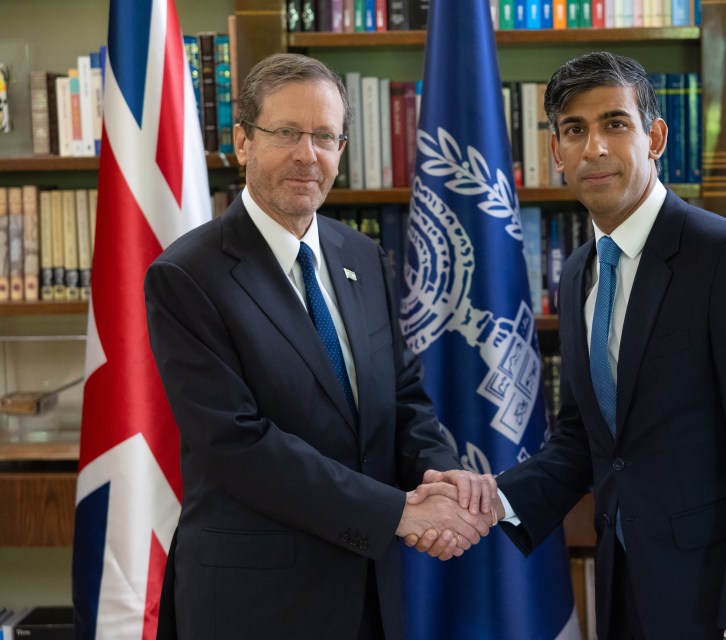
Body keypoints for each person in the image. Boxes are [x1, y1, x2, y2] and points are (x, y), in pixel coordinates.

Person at [413, 51, 726, 639]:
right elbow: (585, 438)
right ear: (556, 154)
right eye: (574, 130)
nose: (593, 147)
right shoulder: (578, 274)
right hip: (621, 587)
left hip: (721, 602)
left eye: (614, 124)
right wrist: (493, 500)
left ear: (654, 136)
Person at [144, 53, 496, 640]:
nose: (308, 155)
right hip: (255, 603)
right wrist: (402, 513)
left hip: (368, 593)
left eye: (325, 136)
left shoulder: (361, 255)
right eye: (286, 133)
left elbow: (402, 396)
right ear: (242, 143)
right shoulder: (186, 276)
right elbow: (239, 445)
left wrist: (442, 478)